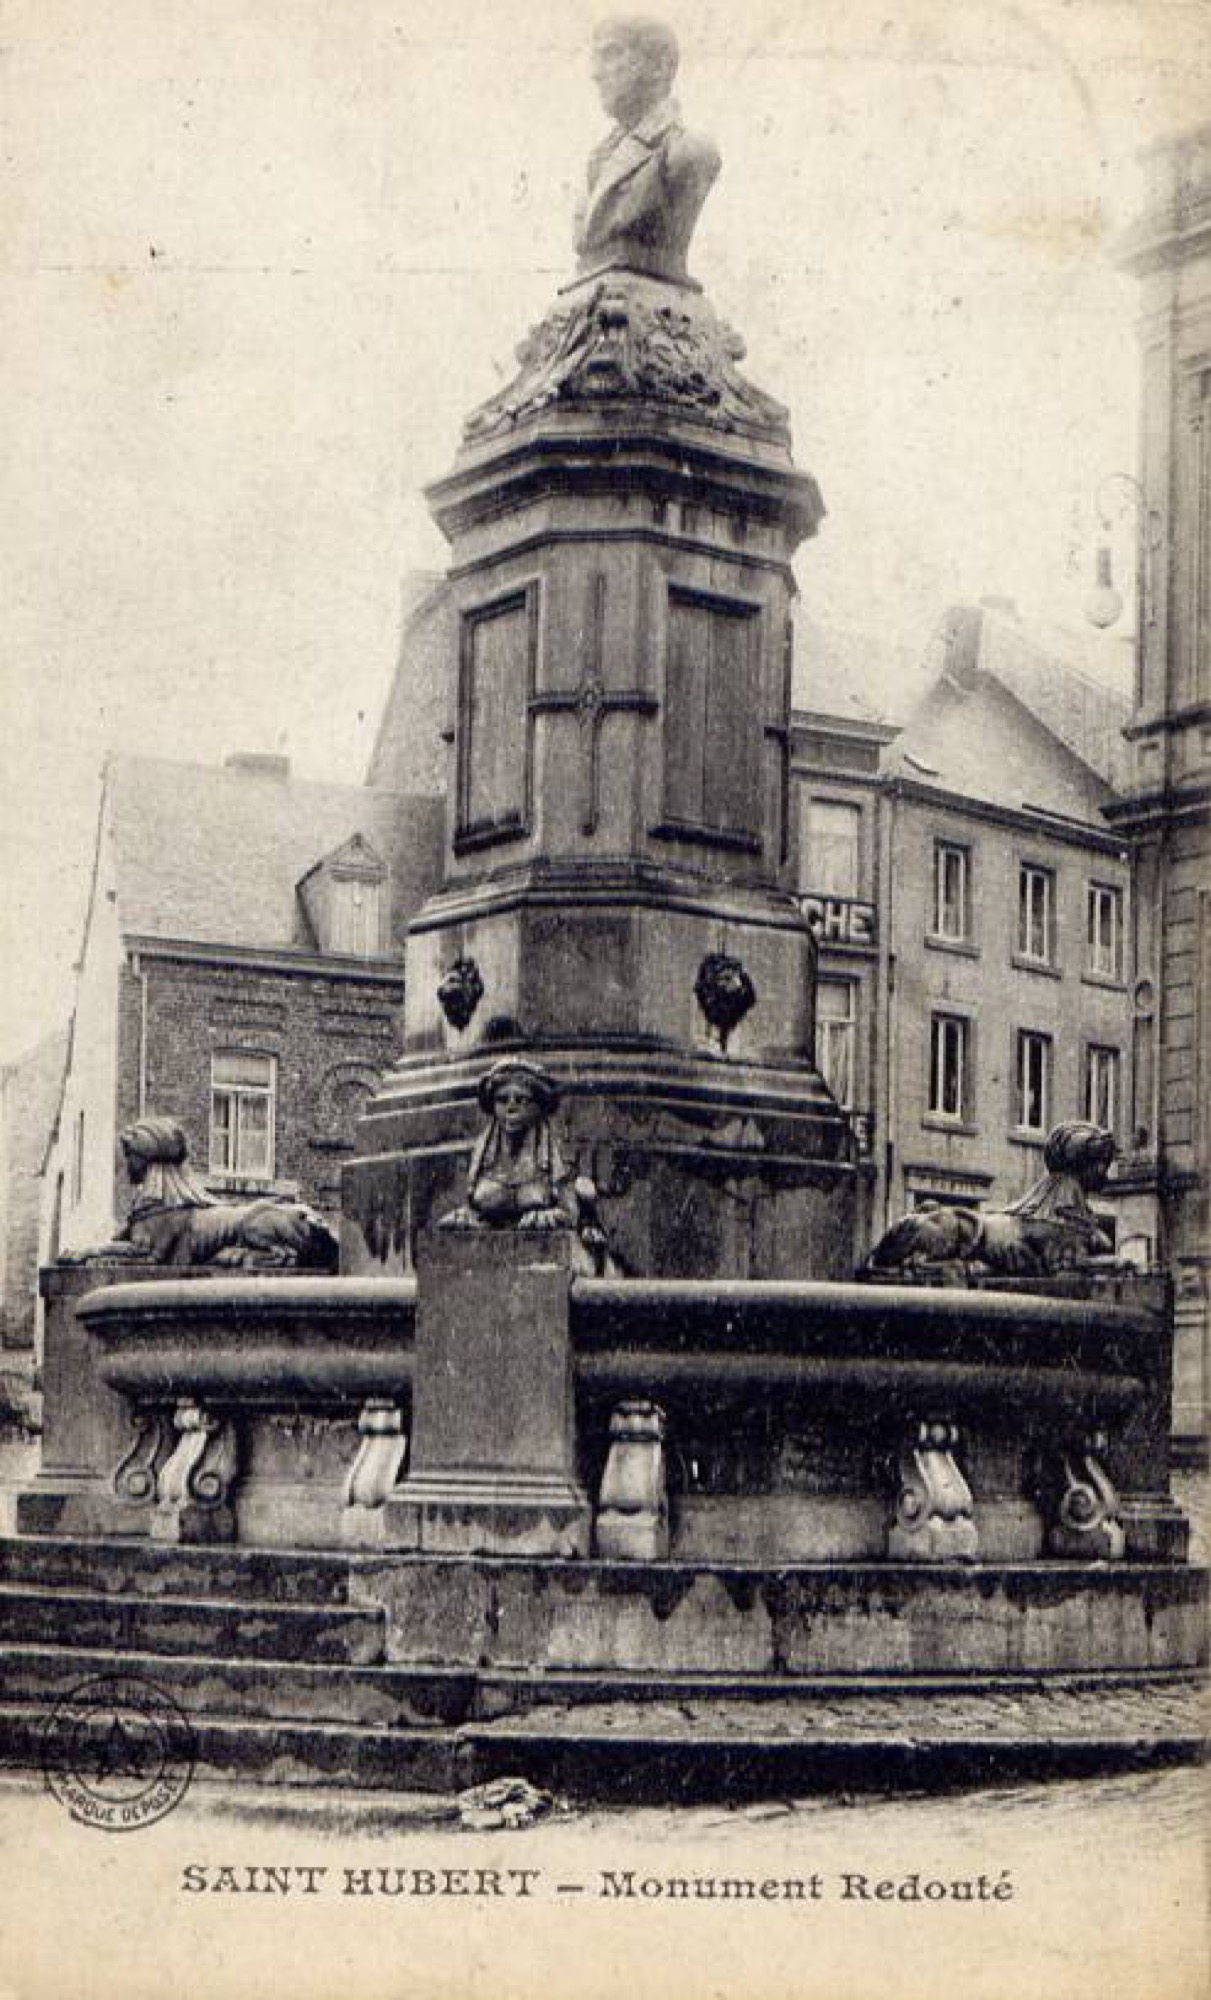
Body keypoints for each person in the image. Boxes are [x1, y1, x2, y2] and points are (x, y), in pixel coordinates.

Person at [575, 14, 721, 285]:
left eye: (611, 54)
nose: (595, 74)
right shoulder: (600, 157)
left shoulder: (688, 150)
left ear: (660, 66)